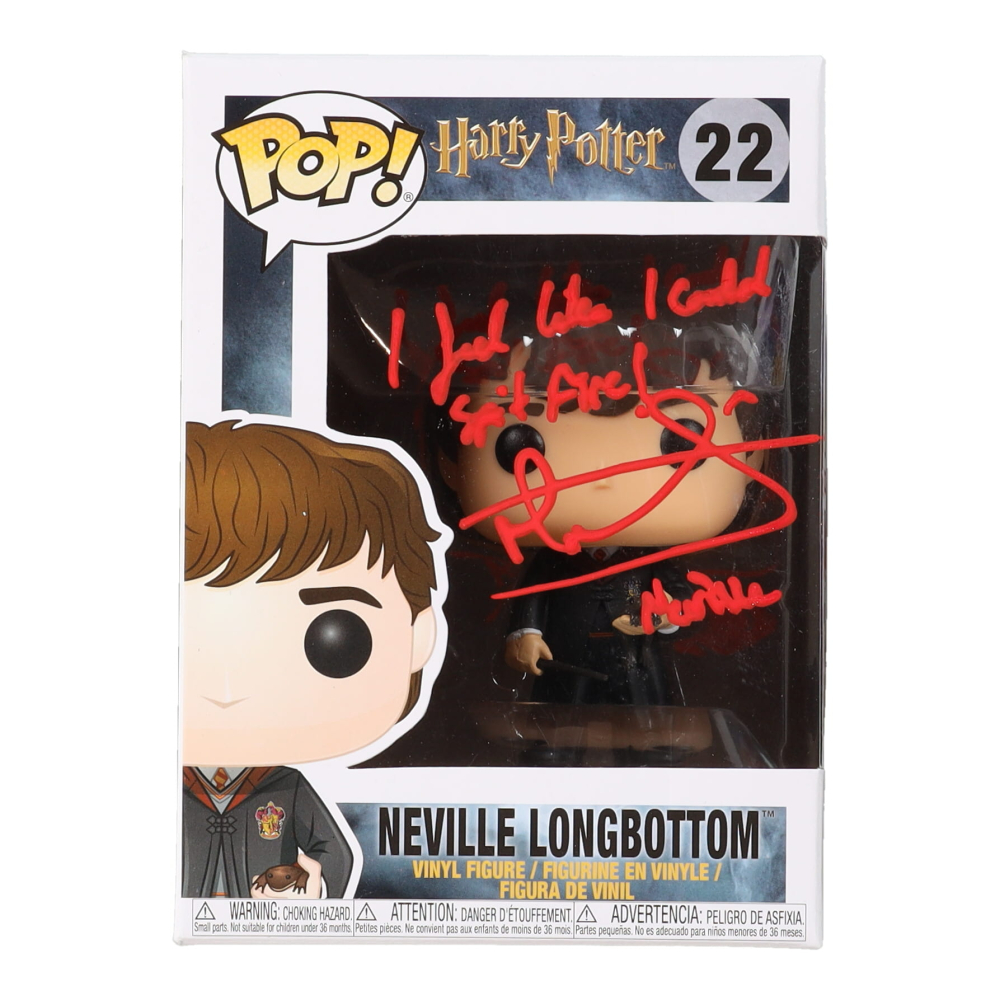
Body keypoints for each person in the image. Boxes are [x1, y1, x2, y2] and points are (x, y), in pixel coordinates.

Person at [181, 420, 442, 896]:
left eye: (334, 640)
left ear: (418, 637)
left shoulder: (286, 786)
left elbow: (334, 854)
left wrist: (310, 887)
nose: (227, 690)